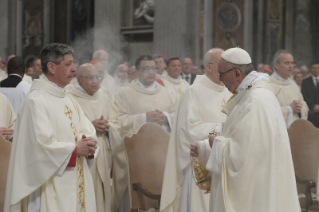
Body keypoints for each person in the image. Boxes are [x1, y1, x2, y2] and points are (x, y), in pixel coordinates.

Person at [191, 47, 300, 212]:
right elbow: (243, 142)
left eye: (222, 74)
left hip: (257, 192)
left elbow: (245, 155)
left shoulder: (256, 100)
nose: (220, 80)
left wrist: (217, 143)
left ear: (236, 73)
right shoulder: (251, 95)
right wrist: (205, 148)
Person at [4, 43, 98, 212]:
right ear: (52, 67)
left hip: (77, 179)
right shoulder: (36, 101)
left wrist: (89, 143)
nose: (74, 69)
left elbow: (87, 129)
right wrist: (76, 150)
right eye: (68, 64)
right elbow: (38, 148)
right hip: (50, 186)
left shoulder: (68, 98)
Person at [160, 48, 232, 212]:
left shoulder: (230, 92)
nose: (227, 70)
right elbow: (187, 130)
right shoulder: (192, 92)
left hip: (225, 160)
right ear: (209, 67)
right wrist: (220, 127)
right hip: (200, 165)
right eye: (223, 65)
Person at [113, 55, 177, 212]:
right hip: (137, 157)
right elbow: (116, 122)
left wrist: (167, 118)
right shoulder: (124, 94)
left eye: (153, 68)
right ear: (136, 71)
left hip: (163, 156)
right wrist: (143, 118)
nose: (150, 72)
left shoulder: (167, 93)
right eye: (145, 68)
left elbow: (179, 116)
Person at [68, 63, 122, 212]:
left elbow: (117, 123)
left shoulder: (104, 98)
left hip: (103, 154)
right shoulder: (70, 98)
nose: (95, 81)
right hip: (83, 156)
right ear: (79, 80)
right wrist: (91, 126)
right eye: (90, 78)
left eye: (98, 77)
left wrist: (108, 127)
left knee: (101, 195)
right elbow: (65, 128)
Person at [270, 50, 308, 128]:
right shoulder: (268, 84)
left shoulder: (293, 84)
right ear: (276, 65)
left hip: (296, 132)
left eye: (292, 63)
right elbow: (266, 112)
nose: (291, 66)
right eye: (287, 63)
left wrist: (299, 108)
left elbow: (304, 104)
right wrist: (289, 109)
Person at [301, 61, 319, 128]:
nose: (316, 70)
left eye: (317, 68)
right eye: (314, 68)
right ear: (311, 69)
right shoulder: (305, 81)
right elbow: (304, 96)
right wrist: (313, 107)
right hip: (311, 113)